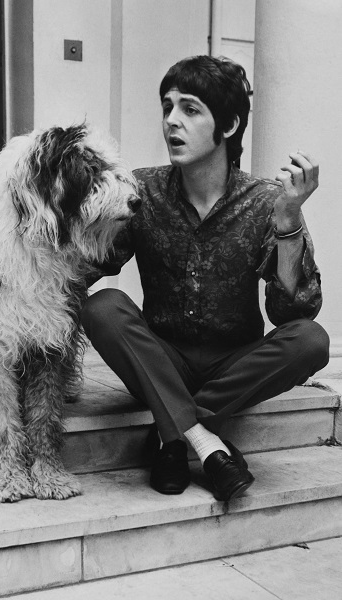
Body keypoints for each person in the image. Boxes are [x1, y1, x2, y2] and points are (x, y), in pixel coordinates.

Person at [81, 55, 329, 502]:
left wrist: (289, 222)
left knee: (311, 339)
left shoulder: (267, 202)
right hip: (161, 358)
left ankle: (171, 434)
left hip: (233, 363)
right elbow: (86, 269)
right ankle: (204, 441)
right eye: (167, 107)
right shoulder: (141, 191)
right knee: (102, 306)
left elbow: (292, 311)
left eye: (190, 109)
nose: (172, 122)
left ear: (229, 126)